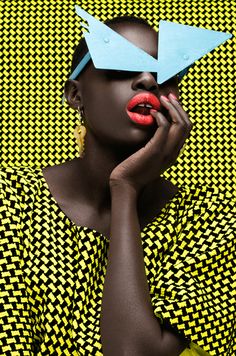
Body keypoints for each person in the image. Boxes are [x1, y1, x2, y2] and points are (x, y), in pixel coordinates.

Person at [0, 11, 234, 356]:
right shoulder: (11, 200)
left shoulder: (212, 222)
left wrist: (124, 188)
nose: (147, 81)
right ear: (75, 95)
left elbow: (132, 352)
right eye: (122, 67)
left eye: (165, 73)